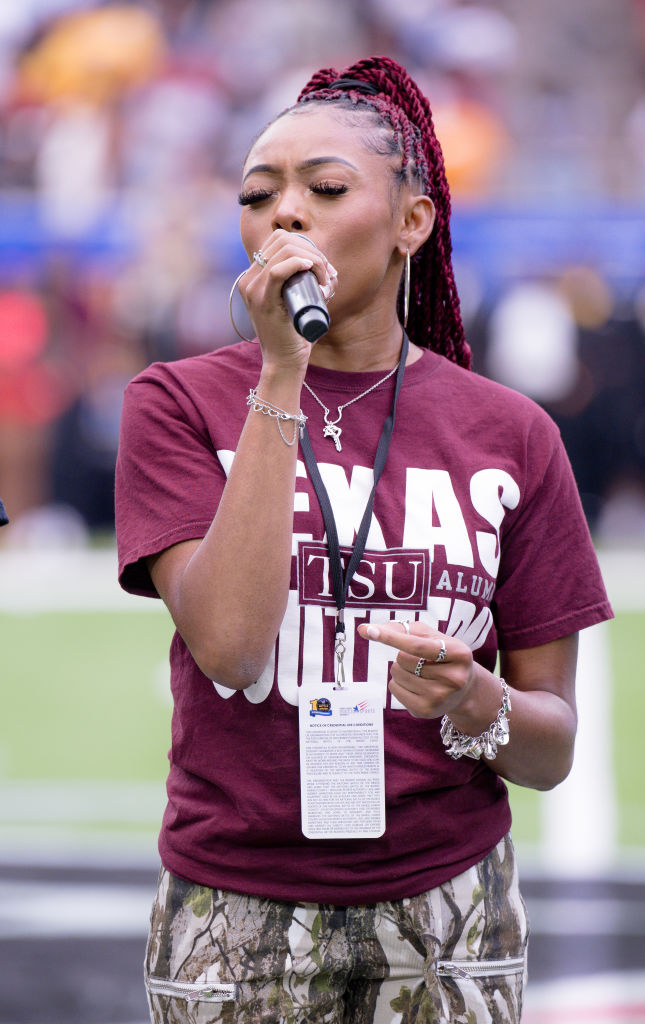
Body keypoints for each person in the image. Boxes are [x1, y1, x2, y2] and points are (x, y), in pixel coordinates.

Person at [115, 56, 613, 1024]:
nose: (284, 215)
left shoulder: (509, 433)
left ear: (411, 224)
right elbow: (228, 644)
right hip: (234, 901)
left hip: (449, 902)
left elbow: (548, 748)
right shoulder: (177, 401)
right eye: (259, 196)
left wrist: (477, 697)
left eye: (325, 189)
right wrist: (281, 375)